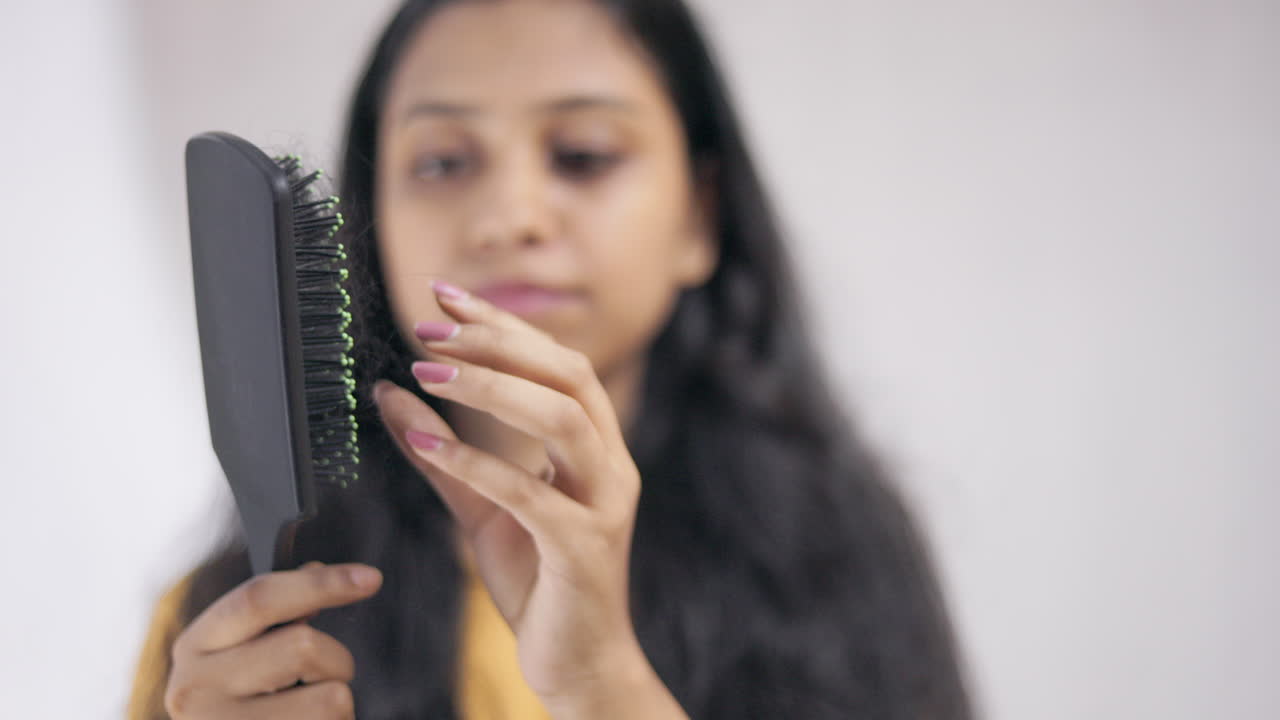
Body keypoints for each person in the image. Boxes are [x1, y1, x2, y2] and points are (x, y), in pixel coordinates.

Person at [129, 1, 974, 718]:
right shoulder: (227, 632)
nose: (510, 216)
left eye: (583, 156)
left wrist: (604, 684)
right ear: (367, 221)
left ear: (698, 217)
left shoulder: (840, 565)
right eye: (443, 162)